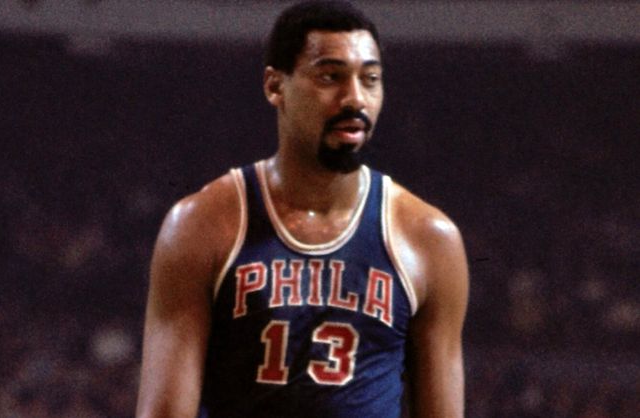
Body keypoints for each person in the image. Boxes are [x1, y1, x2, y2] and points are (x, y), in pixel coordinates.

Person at [136, 1, 469, 417]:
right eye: (330, 77)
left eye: (370, 79)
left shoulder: (429, 238)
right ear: (275, 86)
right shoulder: (200, 226)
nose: (355, 97)